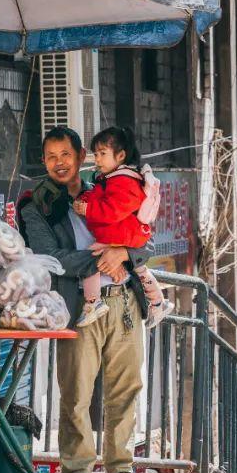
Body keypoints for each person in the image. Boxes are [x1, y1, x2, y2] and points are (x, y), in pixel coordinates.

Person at [18, 127, 153, 473]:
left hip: (123, 300)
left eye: (66, 154)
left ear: (81, 157)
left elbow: (145, 236)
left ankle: (120, 464)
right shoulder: (38, 204)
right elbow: (50, 258)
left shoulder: (107, 190)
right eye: (51, 156)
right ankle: (77, 468)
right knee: (76, 390)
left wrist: (123, 254)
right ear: (44, 162)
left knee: (126, 386)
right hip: (77, 304)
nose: (59, 163)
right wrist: (100, 261)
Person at [71, 126, 172, 328]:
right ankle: (158, 302)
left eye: (102, 154)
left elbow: (112, 210)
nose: (97, 159)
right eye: (95, 154)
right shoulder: (114, 178)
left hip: (122, 233)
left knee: (90, 258)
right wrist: (85, 199)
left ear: (121, 155)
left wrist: (87, 209)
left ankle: (93, 302)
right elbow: (100, 197)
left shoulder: (123, 181)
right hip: (124, 234)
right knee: (141, 269)